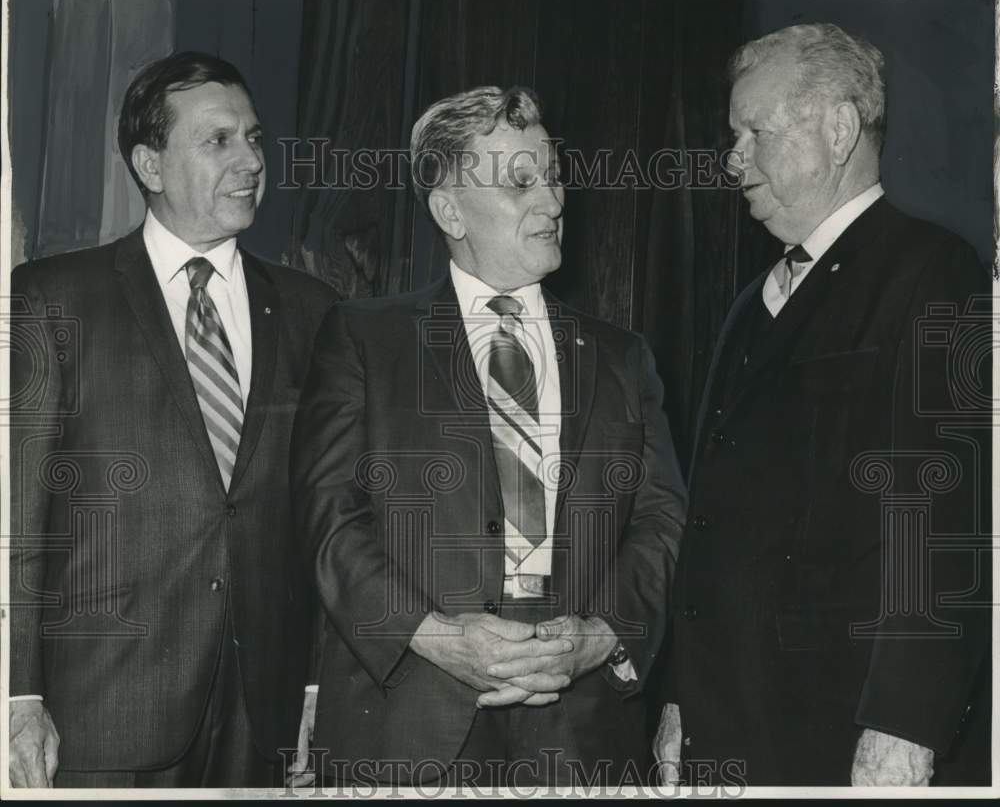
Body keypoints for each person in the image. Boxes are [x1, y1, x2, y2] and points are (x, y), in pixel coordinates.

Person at [290, 85, 687, 787]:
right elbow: (330, 521)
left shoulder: (623, 356)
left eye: (554, 175)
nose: (555, 201)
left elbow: (661, 520)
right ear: (449, 209)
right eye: (521, 182)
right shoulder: (363, 337)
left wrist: (597, 638)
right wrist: (441, 639)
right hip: (407, 726)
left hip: (582, 737)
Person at [658, 23, 991, 786]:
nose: (732, 157)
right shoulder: (752, 302)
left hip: (844, 731)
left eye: (755, 132)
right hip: (729, 723)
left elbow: (943, 523)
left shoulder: (935, 271)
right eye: (731, 134)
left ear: (838, 130)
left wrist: (905, 725)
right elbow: (709, 522)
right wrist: (680, 702)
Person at [8, 51, 337, 788]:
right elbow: (21, 520)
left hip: (265, 712)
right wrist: (18, 693)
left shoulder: (314, 311)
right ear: (150, 166)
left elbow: (327, 519)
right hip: (104, 707)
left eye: (254, 138)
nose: (250, 160)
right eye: (218, 140)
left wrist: (318, 687)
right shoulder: (53, 298)